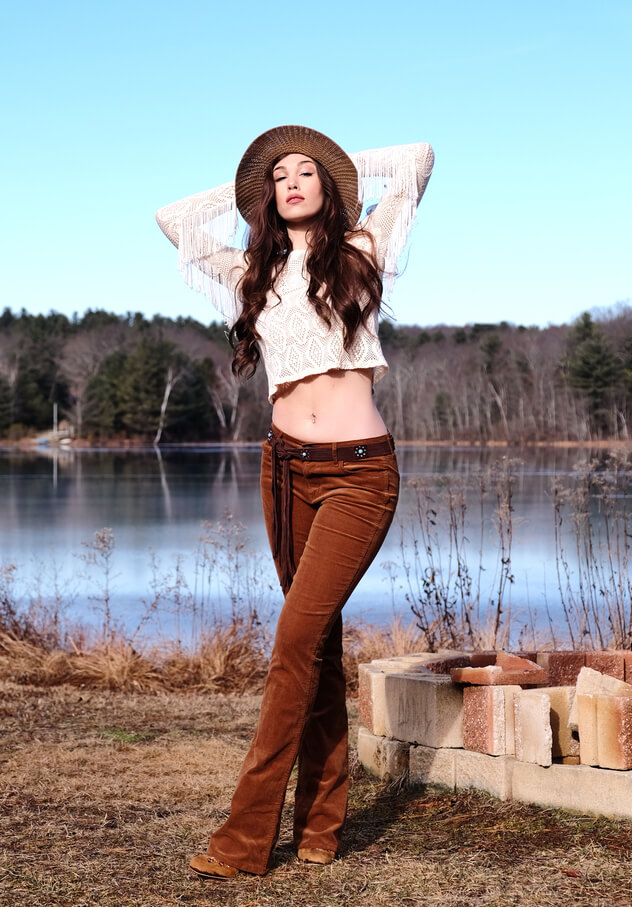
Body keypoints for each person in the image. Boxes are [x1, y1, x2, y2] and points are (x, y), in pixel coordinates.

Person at [156, 125, 433, 879]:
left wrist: (337, 163)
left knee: (291, 645)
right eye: (280, 176)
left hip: (357, 477)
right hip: (283, 470)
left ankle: (245, 839)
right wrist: (247, 184)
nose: (293, 181)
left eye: (306, 172)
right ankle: (321, 821)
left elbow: (418, 160)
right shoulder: (254, 269)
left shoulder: (365, 249)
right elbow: (172, 222)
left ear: (331, 188)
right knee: (317, 648)